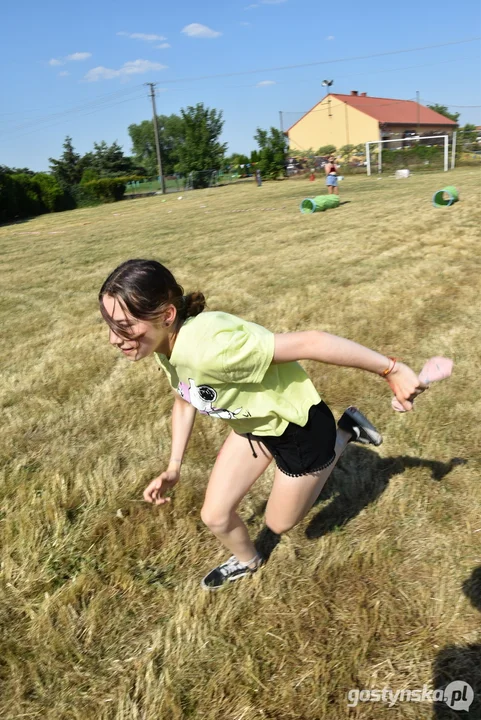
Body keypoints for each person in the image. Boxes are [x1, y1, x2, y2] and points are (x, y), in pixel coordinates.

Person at [99, 259, 424, 590]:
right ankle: (248, 561)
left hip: (298, 430)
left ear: (167, 316)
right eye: (110, 325)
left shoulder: (213, 349)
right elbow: (184, 400)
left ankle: (345, 432)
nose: (114, 339)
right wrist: (174, 467)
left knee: (278, 522)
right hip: (253, 428)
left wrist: (391, 369)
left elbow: (311, 342)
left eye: (124, 325)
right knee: (215, 516)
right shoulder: (165, 345)